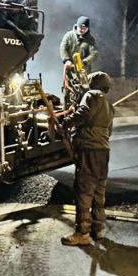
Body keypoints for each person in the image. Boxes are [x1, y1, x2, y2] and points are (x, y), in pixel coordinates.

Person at [57, 71, 114, 247]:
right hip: (103, 151)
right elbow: (109, 131)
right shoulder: (109, 105)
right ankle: (98, 230)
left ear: (93, 84)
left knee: (84, 190)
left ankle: (82, 233)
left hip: (89, 150)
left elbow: (83, 114)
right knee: (98, 191)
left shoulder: (91, 95)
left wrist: (65, 123)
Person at [59, 16, 98, 101]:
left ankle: (82, 110)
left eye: (84, 28)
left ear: (87, 28)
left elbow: (94, 54)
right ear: (77, 26)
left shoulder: (90, 39)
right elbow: (63, 48)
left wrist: (84, 61)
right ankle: (67, 109)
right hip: (69, 69)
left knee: (83, 92)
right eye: (80, 27)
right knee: (67, 90)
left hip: (83, 71)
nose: (82, 30)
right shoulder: (69, 36)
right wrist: (66, 60)